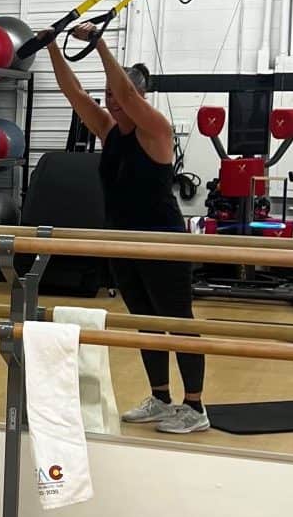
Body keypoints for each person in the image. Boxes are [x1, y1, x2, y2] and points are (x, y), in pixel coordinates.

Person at [46, 33, 210, 434]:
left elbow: (127, 95)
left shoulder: (156, 129)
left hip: (162, 243)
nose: (111, 101)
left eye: (120, 96)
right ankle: (160, 397)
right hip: (121, 241)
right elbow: (75, 94)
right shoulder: (109, 130)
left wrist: (101, 45)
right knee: (146, 321)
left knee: (179, 323)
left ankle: (195, 407)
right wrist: (52, 45)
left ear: (138, 96)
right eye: (109, 95)